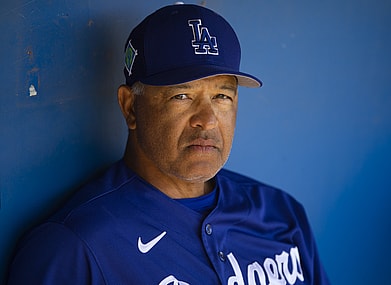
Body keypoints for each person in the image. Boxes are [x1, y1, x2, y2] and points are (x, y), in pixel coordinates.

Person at [7, 3, 330, 285]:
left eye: (222, 96)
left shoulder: (280, 214)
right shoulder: (75, 245)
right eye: (182, 96)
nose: (207, 119)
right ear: (130, 107)